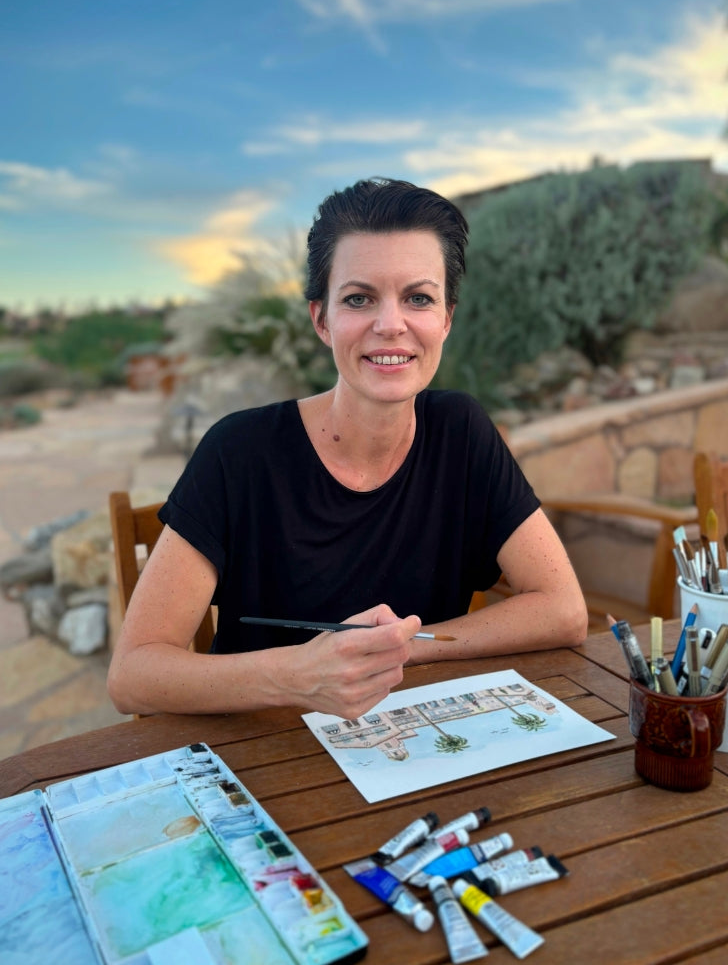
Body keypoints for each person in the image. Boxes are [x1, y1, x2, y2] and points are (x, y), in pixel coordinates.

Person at [107, 178, 587, 719]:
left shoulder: (462, 431)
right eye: (359, 299)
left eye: (418, 298)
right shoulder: (239, 452)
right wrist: (299, 676)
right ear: (322, 320)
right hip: (260, 757)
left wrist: (396, 651)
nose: (390, 325)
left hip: (407, 748)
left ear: (446, 319)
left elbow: (563, 611)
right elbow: (133, 675)